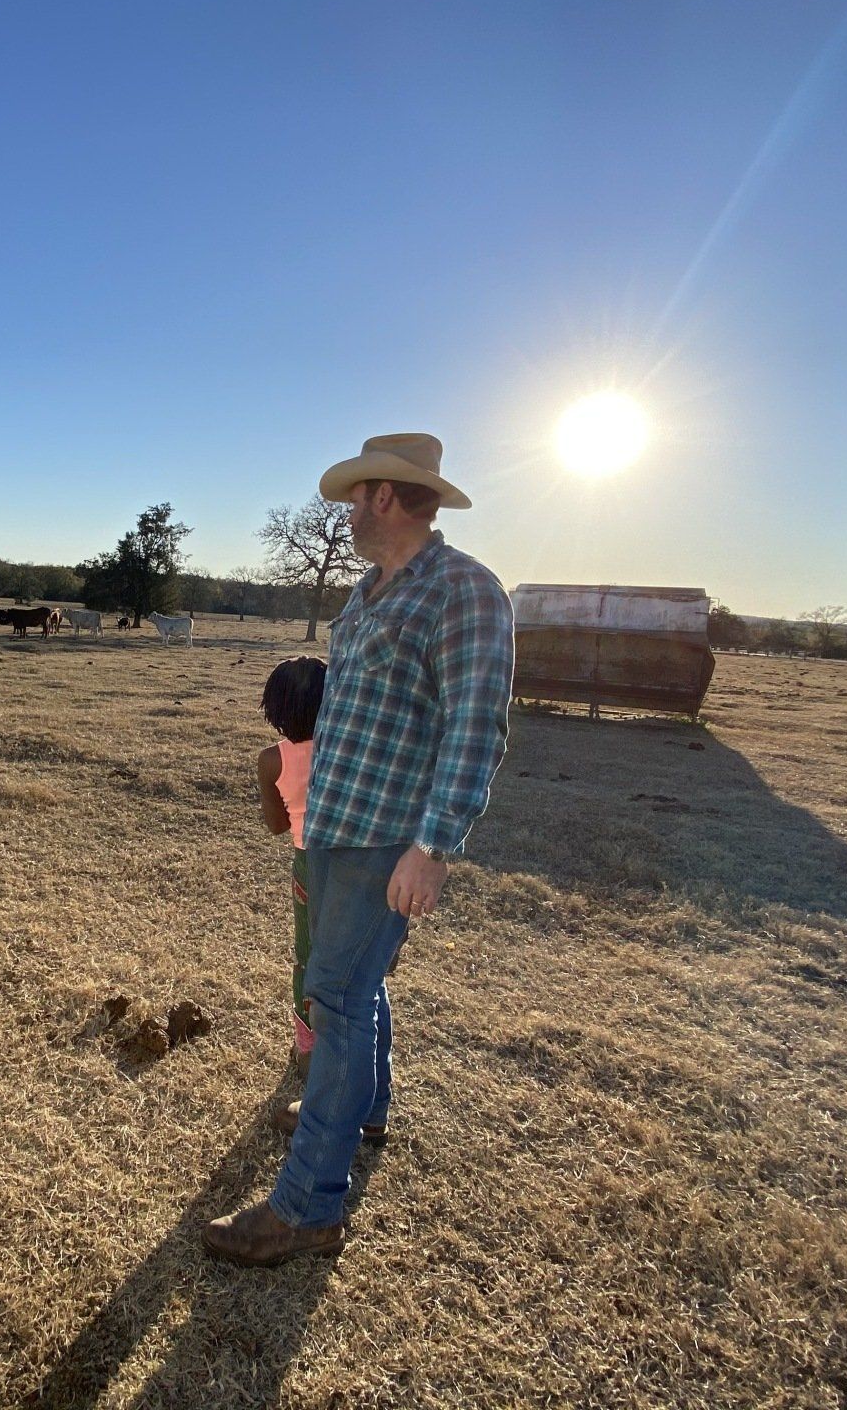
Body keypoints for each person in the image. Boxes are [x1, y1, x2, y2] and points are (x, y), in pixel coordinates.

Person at [205, 432, 516, 1267]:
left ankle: (308, 1208)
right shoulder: (370, 590)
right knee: (351, 989)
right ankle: (363, 1108)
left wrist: (435, 847)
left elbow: (475, 729)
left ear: (383, 496)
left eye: (353, 498)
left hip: (389, 841)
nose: (345, 513)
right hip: (338, 828)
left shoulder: (465, 592)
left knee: (335, 1001)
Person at [255, 655, 327, 1081]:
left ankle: (307, 1051)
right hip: (357, 859)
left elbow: (276, 825)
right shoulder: (349, 747)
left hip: (308, 861)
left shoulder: (271, 760)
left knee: (307, 958)